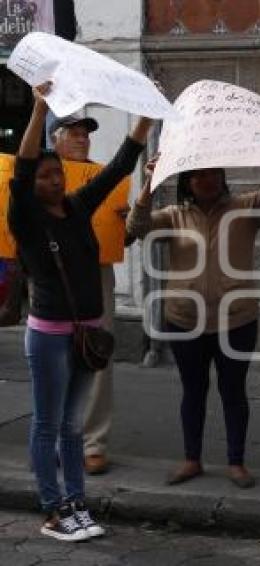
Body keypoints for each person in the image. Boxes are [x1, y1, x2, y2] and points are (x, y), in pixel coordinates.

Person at [9, 82, 153, 542]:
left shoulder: (76, 206)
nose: (53, 180)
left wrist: (145, 121)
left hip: (87, 335)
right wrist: (38, 109)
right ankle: (53, 511)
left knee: (73, 426)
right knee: (48, 422)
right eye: (44, 175)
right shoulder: (26, 218)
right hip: (50, 336)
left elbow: (115, 171)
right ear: (31, 184)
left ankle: (76, 503)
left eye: (57, 175)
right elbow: (24, 164)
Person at [126, 148, 260, 489]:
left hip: (237, 321)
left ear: (222, 177)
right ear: (187, 181)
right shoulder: (173, 216)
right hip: (184, 320)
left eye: (213, 172)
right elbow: (137, 226)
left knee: (233, 391)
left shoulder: (245, 209)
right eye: (198, 174)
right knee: (193, 391)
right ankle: (191, 459)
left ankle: (236, 462)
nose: (207, 179)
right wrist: (149, 184)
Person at [50, 112, 125, 476]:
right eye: (74, 134)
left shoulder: (101, 178)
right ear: (55, 140)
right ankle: (59, 439)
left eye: (86, 135)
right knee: (55, 360)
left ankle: (94, 442)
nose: (83, 139)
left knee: (97, 355)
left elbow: (121, 237)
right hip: (54, 277)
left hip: (96, 274)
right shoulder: (40, 177)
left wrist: (125, 222)